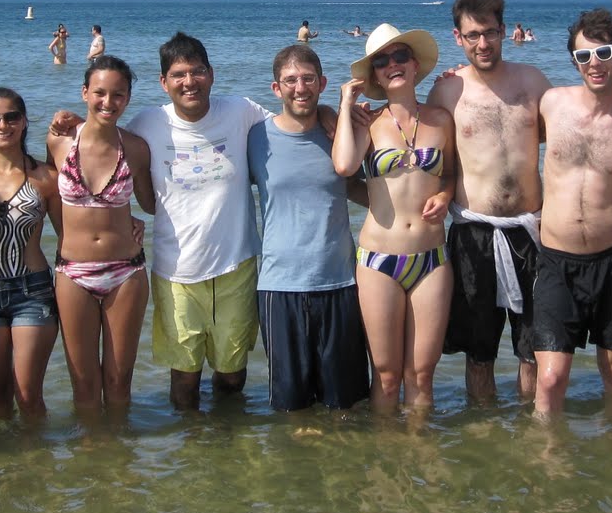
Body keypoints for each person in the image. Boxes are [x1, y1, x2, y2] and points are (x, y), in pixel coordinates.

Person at [122, 32, 274, 410]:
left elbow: (292, 125)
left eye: (197, 71)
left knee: (232, 375)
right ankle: (191, 443)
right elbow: (104, 154)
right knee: (184, 379)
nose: (189, 81)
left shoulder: (240, 111)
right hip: (176, 271)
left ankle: (228, 438)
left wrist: (331, 115)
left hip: (236, 265)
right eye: (178, 74)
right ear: (164, 82)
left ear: (211, 74)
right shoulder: (147, 122)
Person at [531, 9, 612, 417]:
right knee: (551, 377)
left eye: (603, 53)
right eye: (583, 56)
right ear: (574, 62)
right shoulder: (552, 104)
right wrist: (457, 77)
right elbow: (502, 123)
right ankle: (548, 452)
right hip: (556, 260)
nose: (594, 63)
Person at [424, 0, 552, 403]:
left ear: (503, 31)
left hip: (530, 234)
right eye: (473, 35)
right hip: (474, 236)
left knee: (533, 351)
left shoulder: (532, 81)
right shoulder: (448, 91)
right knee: (479, 352)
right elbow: (426, 155)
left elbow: (571, 131)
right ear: (457, 37)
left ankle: (531, 429)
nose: (483, 43)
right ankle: (483, 430)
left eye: (491, 33)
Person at [333, 24, 456, 411]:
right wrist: (345, 105)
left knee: (421, 375)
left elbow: (452, 173)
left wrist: (445, 194)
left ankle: (420, 445)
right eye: (381, 61)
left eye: (400, 56)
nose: (392, 65)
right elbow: (344, 167)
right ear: (375, 75)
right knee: (386, 377)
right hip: (378, 259)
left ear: (415, 65)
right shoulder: (367, 123)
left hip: (432, 258)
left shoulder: (441, 119)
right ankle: (386, 450)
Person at [249, 44, 370, 412]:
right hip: (279, 287)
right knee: (290, 409)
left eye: (308, 79)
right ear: (276, 88)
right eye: (290, 81)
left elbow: (360, 189)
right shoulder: (255, 137)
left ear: (322, 83)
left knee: (346, 408)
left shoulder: (338, 134)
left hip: (340, 283)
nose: (300, 88)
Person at [45, 57, 156, 413]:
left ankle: (120, 447)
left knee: (119, 381)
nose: (108, 102)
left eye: (118, 94)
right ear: (84, 93)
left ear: (128, 98)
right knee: (83, 384)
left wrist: (134, 219)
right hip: (72, 272)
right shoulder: (59, 141)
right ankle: (91, 445)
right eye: (100, 93)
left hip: (126, 272)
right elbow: (43, 195)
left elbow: (153, 204)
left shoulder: (136, 149)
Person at [0, 87, 62, 418]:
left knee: (28, 396)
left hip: (32, 292)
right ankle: (7, 452)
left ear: (23, 121)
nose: (2, 125)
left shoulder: (46, 178)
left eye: (11, 117)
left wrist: (127, 223)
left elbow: (70, 235)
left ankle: (36, 450)